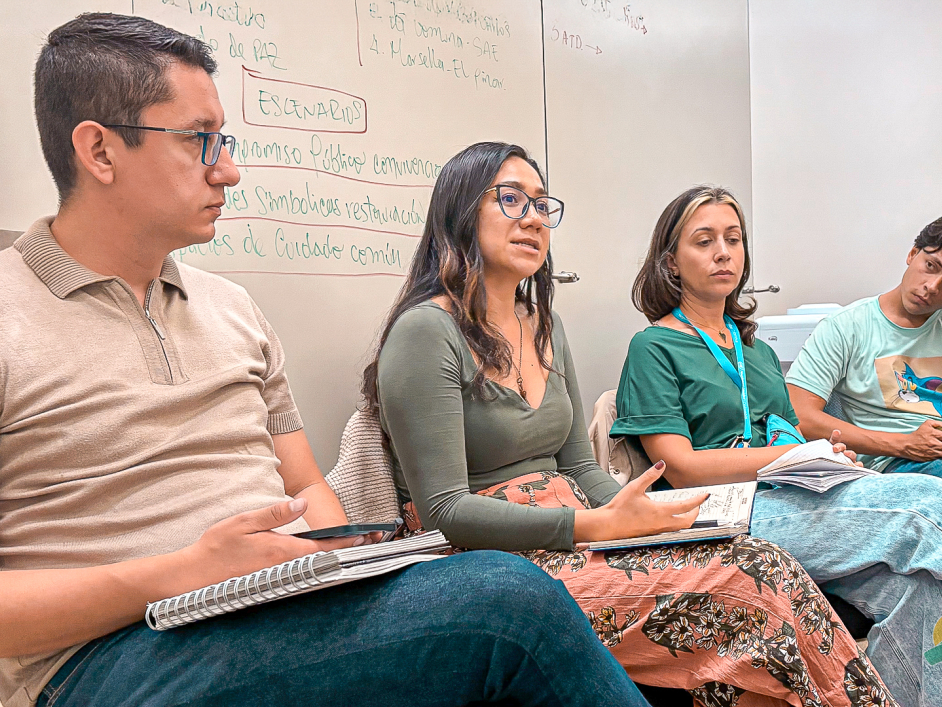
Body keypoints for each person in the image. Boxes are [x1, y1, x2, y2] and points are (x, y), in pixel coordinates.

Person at [0, 14, 651, 707]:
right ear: (99, 151)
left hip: (277, 607)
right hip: (107, 656)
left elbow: (308, 486)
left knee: (498, 590)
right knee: (511, 603)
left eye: (225, 140)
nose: (229, 168)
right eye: (200, 140)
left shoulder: (232, 309)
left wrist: (333, 558)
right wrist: (180, 573)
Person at [365, 142, 896, 706]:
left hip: (576, 531)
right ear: (459, 211)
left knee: (757, 559)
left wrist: (649, 516)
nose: (533, 219)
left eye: (542, 205)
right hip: (494, 559)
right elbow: (445, 510)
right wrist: (592, 527)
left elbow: (577, 467)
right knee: (746, 588)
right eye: (511, 199)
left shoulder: (544, 324)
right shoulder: (426, 332)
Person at [614, 184, 942, 706]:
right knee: (927, 513)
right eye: (703, 241)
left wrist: (829, 459)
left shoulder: (757, 351)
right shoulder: (655, 346)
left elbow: (788, 437)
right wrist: (786, 457)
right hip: (719, 511)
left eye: (733, 239)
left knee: (924, 590)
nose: (723, 252)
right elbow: (678, 468)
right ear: (670, 262)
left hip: (790, 496)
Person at [787, 217, 942, 477]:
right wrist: (905, 445)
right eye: (930, 266)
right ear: (912, 254)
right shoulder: (846, 326)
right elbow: (799, 415)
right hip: (895, 465)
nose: (931, 286)